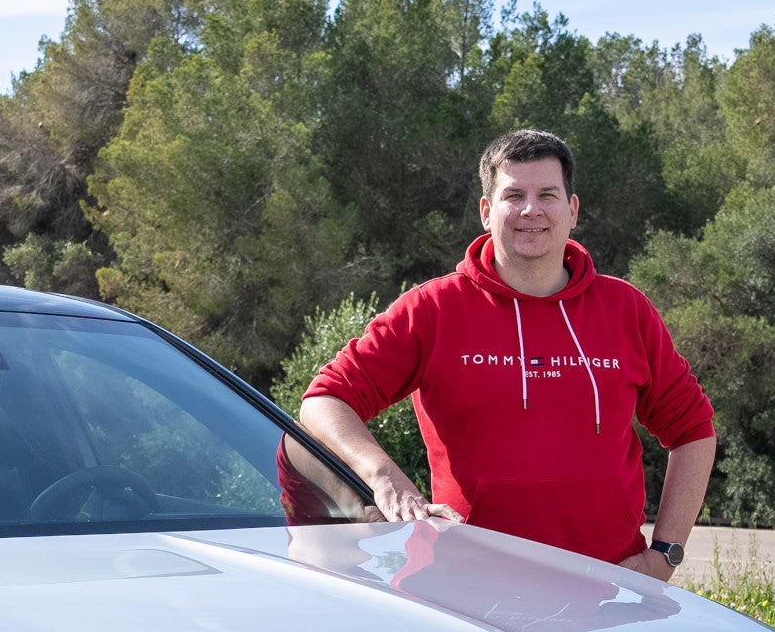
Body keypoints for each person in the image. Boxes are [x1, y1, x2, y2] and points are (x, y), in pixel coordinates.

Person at [293, 128, 716, 581]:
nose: (531, 210)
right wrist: (384, 477)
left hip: (607, 588)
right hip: (467, 592)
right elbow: (323, 400)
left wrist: (665, 553)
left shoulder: (625, 309)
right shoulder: (434, 309)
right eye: (513, 195)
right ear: (485, 210)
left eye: (548, 195)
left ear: (572, 211)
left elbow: (693, 430)